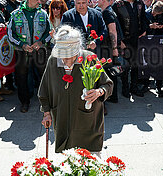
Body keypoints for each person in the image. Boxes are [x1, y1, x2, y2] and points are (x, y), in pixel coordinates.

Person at [39, 25, 113, 154]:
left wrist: (98, 92)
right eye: (62, 56)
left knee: (90, 163)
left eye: (69, 56)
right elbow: (44, 89)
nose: (65, 60)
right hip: (62, 122)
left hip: (87, 124)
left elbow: (108, 85)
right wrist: (46, 113)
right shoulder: (53, 61)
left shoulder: (90, 59)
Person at [7, 0, 50, 113]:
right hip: (22, 52)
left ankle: (46, 101)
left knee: (44, 76)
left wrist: (41, 42)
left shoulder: (43, 13)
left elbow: (49, 31)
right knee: (22, 77)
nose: (40, 2)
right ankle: (24, 102)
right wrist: (22, 45)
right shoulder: (15, 14)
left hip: (40, 51)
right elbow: (10, 34)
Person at [112, 0, 147, 97]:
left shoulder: (140, 3)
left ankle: (134, 87)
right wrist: (119, 41)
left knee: (136, 65)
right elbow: (115, 25)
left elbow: (143, 18)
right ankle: (125, 89)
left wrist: (144, 31)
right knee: (125, 66)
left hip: (137, 39)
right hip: (124, 40)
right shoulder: (118, 5)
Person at [98, 0, 122, 103]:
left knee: (110, 72)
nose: (97, 1)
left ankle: (112, 96)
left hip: (108, 48)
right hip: (109, 47)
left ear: (103, 0)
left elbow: (113, 30)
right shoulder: (109, 11)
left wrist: (114, 48)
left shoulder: (107, 13)